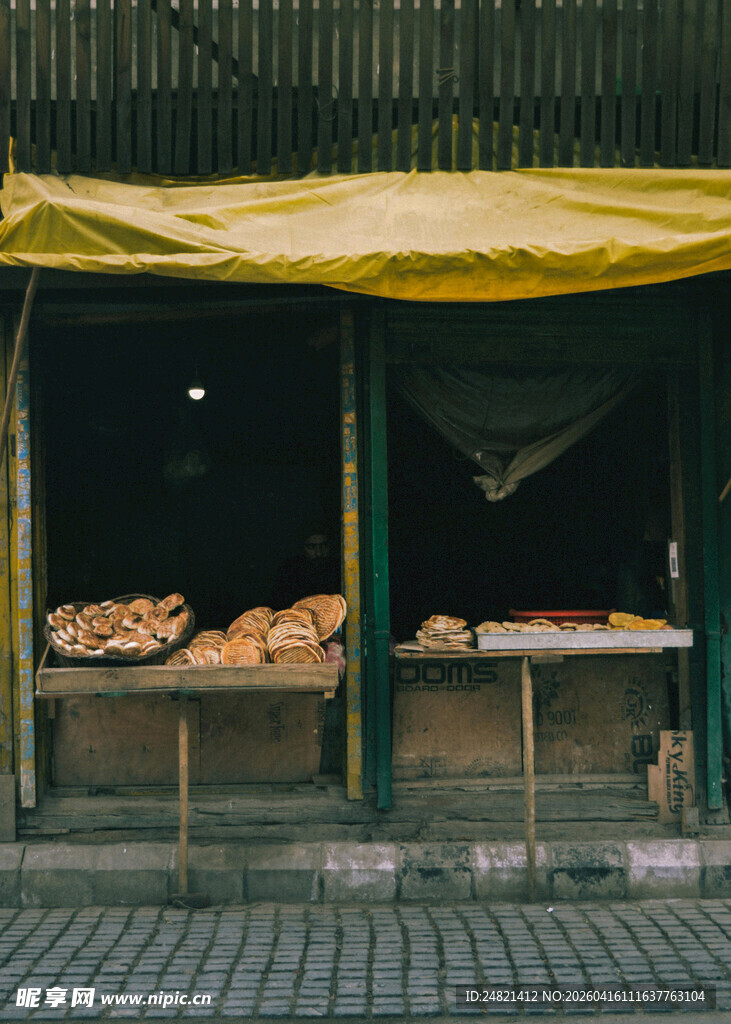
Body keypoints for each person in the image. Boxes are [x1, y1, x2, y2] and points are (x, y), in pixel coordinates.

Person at [271, 527, 341, 611]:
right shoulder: (291, 571)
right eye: (311, 547)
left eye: (324, 545)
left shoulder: (338, 568)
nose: (319, 553)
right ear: (302, 548)